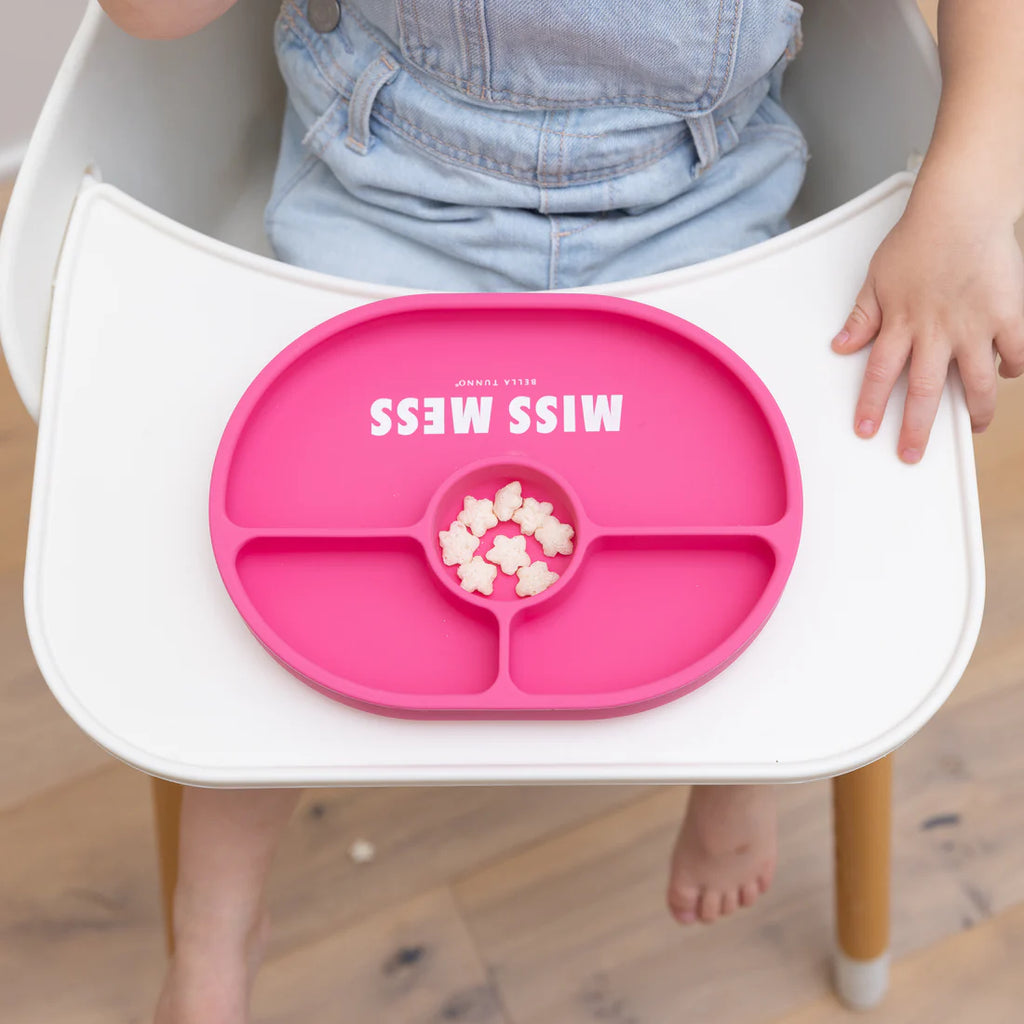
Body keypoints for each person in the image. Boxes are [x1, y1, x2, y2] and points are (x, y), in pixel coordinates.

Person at [96, 2, 1024, 1022]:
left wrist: (968, 198)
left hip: (694, 199)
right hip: (388, 195)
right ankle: (218, 922)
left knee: (745, 511)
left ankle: (737, 769)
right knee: (287, 585)